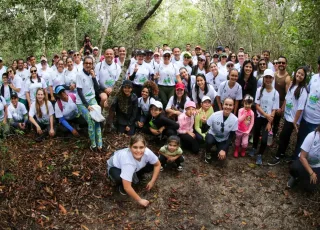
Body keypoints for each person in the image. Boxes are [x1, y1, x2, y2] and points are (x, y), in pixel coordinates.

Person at [268, 67, 308, 166]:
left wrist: (295, 121)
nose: (299, 75)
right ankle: (282, 153)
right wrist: (282, 108)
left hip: (293, 119)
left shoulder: (303, 91)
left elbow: (300, 108)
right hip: (287, 116)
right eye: (298, 73)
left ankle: (278, 156)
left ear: (304, 77)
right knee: (285, 136)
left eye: (302, 74)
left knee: (283, 136)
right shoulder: (292, 85)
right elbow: (287, 99)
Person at [107, 134, 161, 206]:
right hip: (115, 167)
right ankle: (120, 187)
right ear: (130, 147)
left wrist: (152, 181)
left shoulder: (147, 153)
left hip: (132, 165)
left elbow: (157, 164)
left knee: (151, 164)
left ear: (145, 147)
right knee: (119, 178)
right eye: (135, 147)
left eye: (141, 147)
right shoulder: (128, 162)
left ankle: (136, 175)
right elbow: (127, 187)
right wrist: (140, 200)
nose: (138, 151)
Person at [292, 57, 320, 161]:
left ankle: (304, 167)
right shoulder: (314, 77)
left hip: (316, 122)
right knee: (300, 141)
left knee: (311, 146)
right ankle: (295, 162)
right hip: (305, 118)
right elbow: (307, 92)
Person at [250, 69, 279, 165]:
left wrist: (270, 122)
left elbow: (274, 109)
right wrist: (265, 114)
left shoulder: (276, 93)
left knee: (264, 139)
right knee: (256, 133)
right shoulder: (259, 90)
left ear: (272, 79)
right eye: (266, 77)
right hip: (259, 116)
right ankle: (254, 148)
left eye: (270, 77)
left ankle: (260, 154)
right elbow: (257, 105)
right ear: (263, 78)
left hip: (268, 119)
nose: (268, 79)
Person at [76, 56, 103, 152]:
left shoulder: (92, 74)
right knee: (91, 122)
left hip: (92, 99)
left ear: (92, 65)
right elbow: (79, 92)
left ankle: (100, 144)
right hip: (82, 103)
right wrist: (87, 105)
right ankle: (93, 144)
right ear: (83, 64)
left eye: (90, 63)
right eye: (86, 63)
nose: (88, 65)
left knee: (97, 120)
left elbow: (97, 88)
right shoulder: (79, 75)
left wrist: (94, 77)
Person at [204, 97, 238, 163]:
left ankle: (220, 148)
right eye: (226, 104)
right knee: (209, 141)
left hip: (223, 139)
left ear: (233, 106)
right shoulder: (214, 115)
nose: (228, 107)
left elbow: (231, 137)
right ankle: (207, 152)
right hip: (213, 135)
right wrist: (204, 123)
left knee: (221, 159)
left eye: (230, 105)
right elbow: (204, 130)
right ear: (223, 105)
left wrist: (224, 149)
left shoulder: (235, 119)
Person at [287, 126, 320, 191]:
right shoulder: (312, 136)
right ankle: (295, 177)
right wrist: (311, 173)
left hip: (317, 165)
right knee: (294, 167)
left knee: (311, 188)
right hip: (304, 162)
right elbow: (302, 157)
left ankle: (305, 179)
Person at [273, 56, 291, 136]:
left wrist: (282, 108)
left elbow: (288, 95)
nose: (281, 64)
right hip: (272, 101)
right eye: (279, 62)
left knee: (276, 122)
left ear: (286, 64)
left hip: (280, 103)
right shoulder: (274, 74)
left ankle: (272, 137)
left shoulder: (287, 78)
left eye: (283, 63)